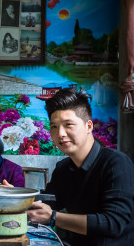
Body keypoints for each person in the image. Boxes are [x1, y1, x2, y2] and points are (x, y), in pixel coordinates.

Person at [27, 88, 134, 246]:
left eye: (68, 125)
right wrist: (16, 197)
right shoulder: (63, 168)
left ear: (89, 126)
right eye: (54, 127)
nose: (60, 133)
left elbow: (113, 223)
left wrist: (54, 217)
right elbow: (47, 203)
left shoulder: (116, 163)